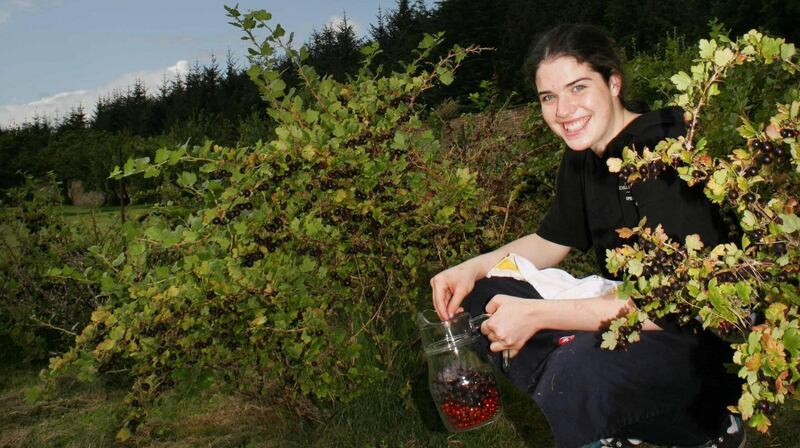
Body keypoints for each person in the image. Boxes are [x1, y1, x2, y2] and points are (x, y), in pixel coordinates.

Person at [430, 24, 744, 448]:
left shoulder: (660, 154)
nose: (563, 110)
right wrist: (469, 268)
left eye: (578, 88)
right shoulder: (584, 158)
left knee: (574, 370)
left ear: (613, 82)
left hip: (699, 336)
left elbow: (678, 303)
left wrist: (539, 316)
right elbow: (549, 242)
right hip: (632, 307)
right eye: (548, 97)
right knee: (481, 296)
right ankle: (610, 415)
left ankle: (706, 427)